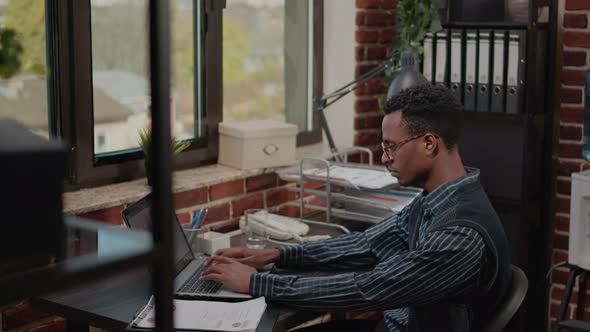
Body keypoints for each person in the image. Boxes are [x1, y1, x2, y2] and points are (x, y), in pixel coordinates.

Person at [201, 84, 511, 332]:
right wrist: (279, 255)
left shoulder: (458, 236)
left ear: (429, 143)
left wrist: (257, 283)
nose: (385, 158)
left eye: (391, 146)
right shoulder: (440, 198)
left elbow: (370, 288)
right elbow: (367, 244)